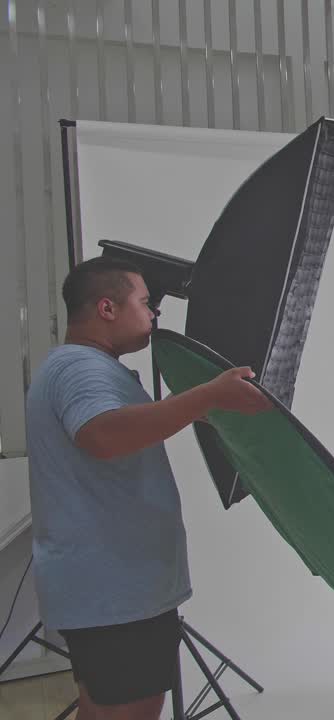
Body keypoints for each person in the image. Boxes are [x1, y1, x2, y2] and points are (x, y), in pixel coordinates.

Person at [25, 256, 272, 720]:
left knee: (102, 710)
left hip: (110, 592)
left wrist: (202, 407)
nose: (154, 314)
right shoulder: (82, 368)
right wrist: (207, 396)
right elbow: (103, 435)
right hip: (115, 594)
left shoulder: (82, 366)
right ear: (106, 308)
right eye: (144, 302)